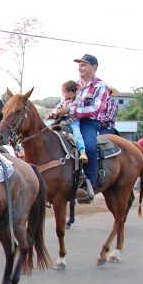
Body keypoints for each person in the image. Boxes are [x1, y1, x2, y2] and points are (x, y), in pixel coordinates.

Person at [55, 54, 109, 203]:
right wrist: (56, 111)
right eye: (79, 65)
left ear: (94, 67)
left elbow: (96, 109)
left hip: (89, 122)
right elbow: (63, 101)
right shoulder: (74, 85)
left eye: (84, 64)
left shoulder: (101, 86)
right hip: (69, 119)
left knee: (89, 147)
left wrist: (70, 110)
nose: (80, 67)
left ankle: (88, 185)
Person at [50, 80, 87, 163]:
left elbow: (76, 115)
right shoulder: (63, 100)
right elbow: (57, 107)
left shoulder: (78, 101)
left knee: (77, 133)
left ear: (70, 93)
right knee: (50, 128)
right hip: (62, 119)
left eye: (63, 92)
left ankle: (82, 151)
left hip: (73, 121)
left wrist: (68, 122)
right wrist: (54, 113)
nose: (62, 94)